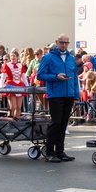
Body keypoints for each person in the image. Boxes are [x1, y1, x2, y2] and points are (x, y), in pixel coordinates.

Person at [37, 34, 79, 163]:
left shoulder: (71, 58)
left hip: (69, 94)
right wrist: (56, 76)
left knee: (63, 123)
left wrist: (76, 95)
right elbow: (40, 75)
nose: (64, 45)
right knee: (55, 123)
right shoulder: (48, 57)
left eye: (67, 43)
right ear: (57, 42)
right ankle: (50, 152)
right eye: (62, 42)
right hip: (55, 95)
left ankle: (60, 152)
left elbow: (75, 77)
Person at [0, 49, 29, 119]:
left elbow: (24, 77)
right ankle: (10, 123)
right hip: (10, 85)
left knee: (19, 107)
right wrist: (0, 87)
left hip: (20, 86)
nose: (12, 57)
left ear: (17, 57)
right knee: (13, 106)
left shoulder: (21, 65)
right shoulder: (6, 65)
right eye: (11, 56)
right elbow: (3, 77)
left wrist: (28, 87)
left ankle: (17, 122)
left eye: (14, 56)